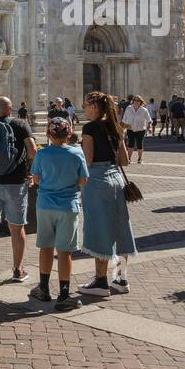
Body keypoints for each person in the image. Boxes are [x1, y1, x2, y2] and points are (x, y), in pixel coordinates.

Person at [77, 90, 136, 297]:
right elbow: (125, 161)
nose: (84, 109)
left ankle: (101, 281)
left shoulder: (90, 127)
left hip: (97, 180)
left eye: (86, 105)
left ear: (94, 107)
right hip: (116, 179)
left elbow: (88, 160)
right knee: (120, 227)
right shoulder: (115, 126)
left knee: (98, 227)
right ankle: (121, 278)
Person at [29, 115, 89, 310]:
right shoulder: (76, 153)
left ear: (48, 133)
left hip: (45, 205)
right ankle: (64, 295)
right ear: (69, 133)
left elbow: (36, 178)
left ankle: (44, 288)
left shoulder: (42, 154)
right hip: (68, 207)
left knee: (45, 247)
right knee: (65, 252)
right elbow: (83, 181)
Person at [0, 95, 36, 281]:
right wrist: (28, 168)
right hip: (16, 182)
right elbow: (33, 149)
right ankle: (18, 270)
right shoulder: (20, 124)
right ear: (10, 109)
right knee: (17, 228)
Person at [122, 95, 151, 165]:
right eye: (135, 100)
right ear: (133, 101)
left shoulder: (144, 110)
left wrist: (149, 127)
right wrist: (123, 127)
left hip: (140, 129)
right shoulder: (129, 108)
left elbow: (149, 119)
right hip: (130, 129)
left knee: (139, 144)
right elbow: (124, 118)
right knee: (130, 144)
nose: (136, 102)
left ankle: (140, 158)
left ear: (141, 102)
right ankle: (128, 158)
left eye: (138, 101)